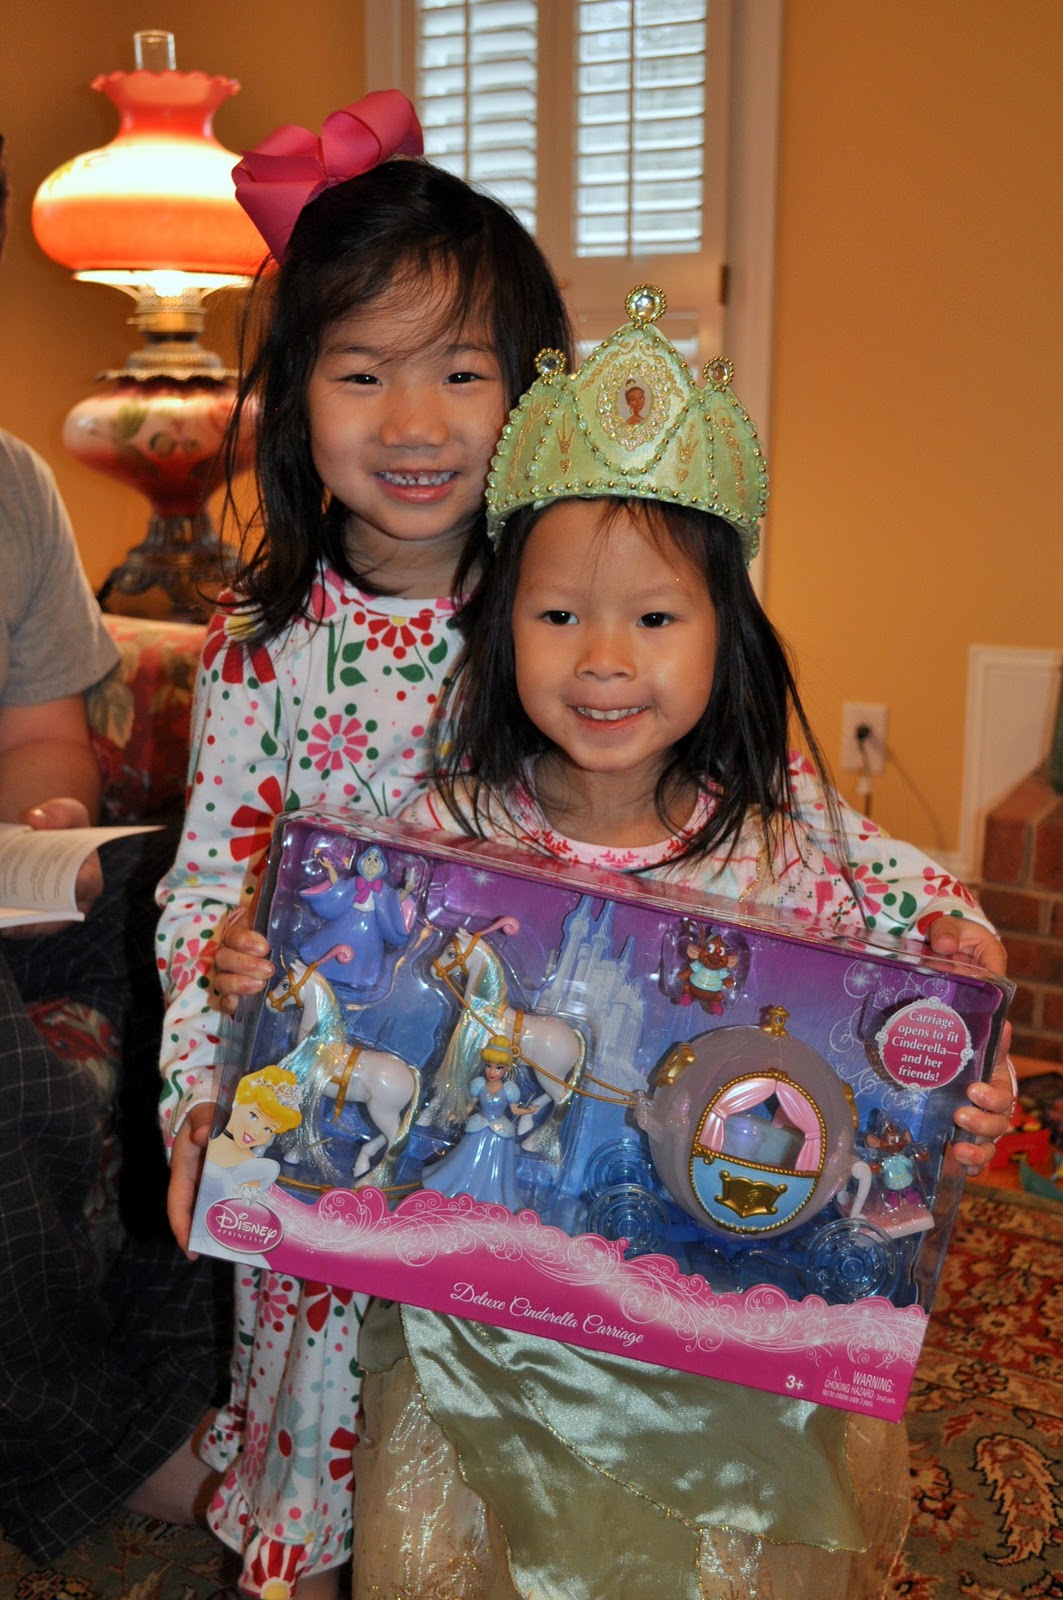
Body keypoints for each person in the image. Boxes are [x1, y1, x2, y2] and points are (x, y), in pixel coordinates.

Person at [343, 288, 1017, 1599]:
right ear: (501, 626)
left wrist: (964, 1037)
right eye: (558, 618)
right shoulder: (440, 830)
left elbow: (944, 930)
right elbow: (352, 984)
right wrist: (266, 978)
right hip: (486, 1341)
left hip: (711, 1351)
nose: (605, 660)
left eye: (655, 620)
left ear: (727, 635)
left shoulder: (788, 841)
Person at [156, 91, 573, 1598]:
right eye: (361, 372)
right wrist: (199, 1091)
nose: (413, 423)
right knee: (320, 1460)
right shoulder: (258, 646)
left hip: (520, 1153)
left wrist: (914, 930)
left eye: (462, 372)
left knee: (503, 1489)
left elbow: (738, 815)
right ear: (296, 395)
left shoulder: (576, 619)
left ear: (533, 391)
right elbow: (207, 891)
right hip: (324, 1153)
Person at [0, 136, 223, 1561]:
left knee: (201, 913)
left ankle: (191, 1376)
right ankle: (94, 1445)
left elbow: (44, 743)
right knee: (15, 1078)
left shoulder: (12, 484)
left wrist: (49, 824)